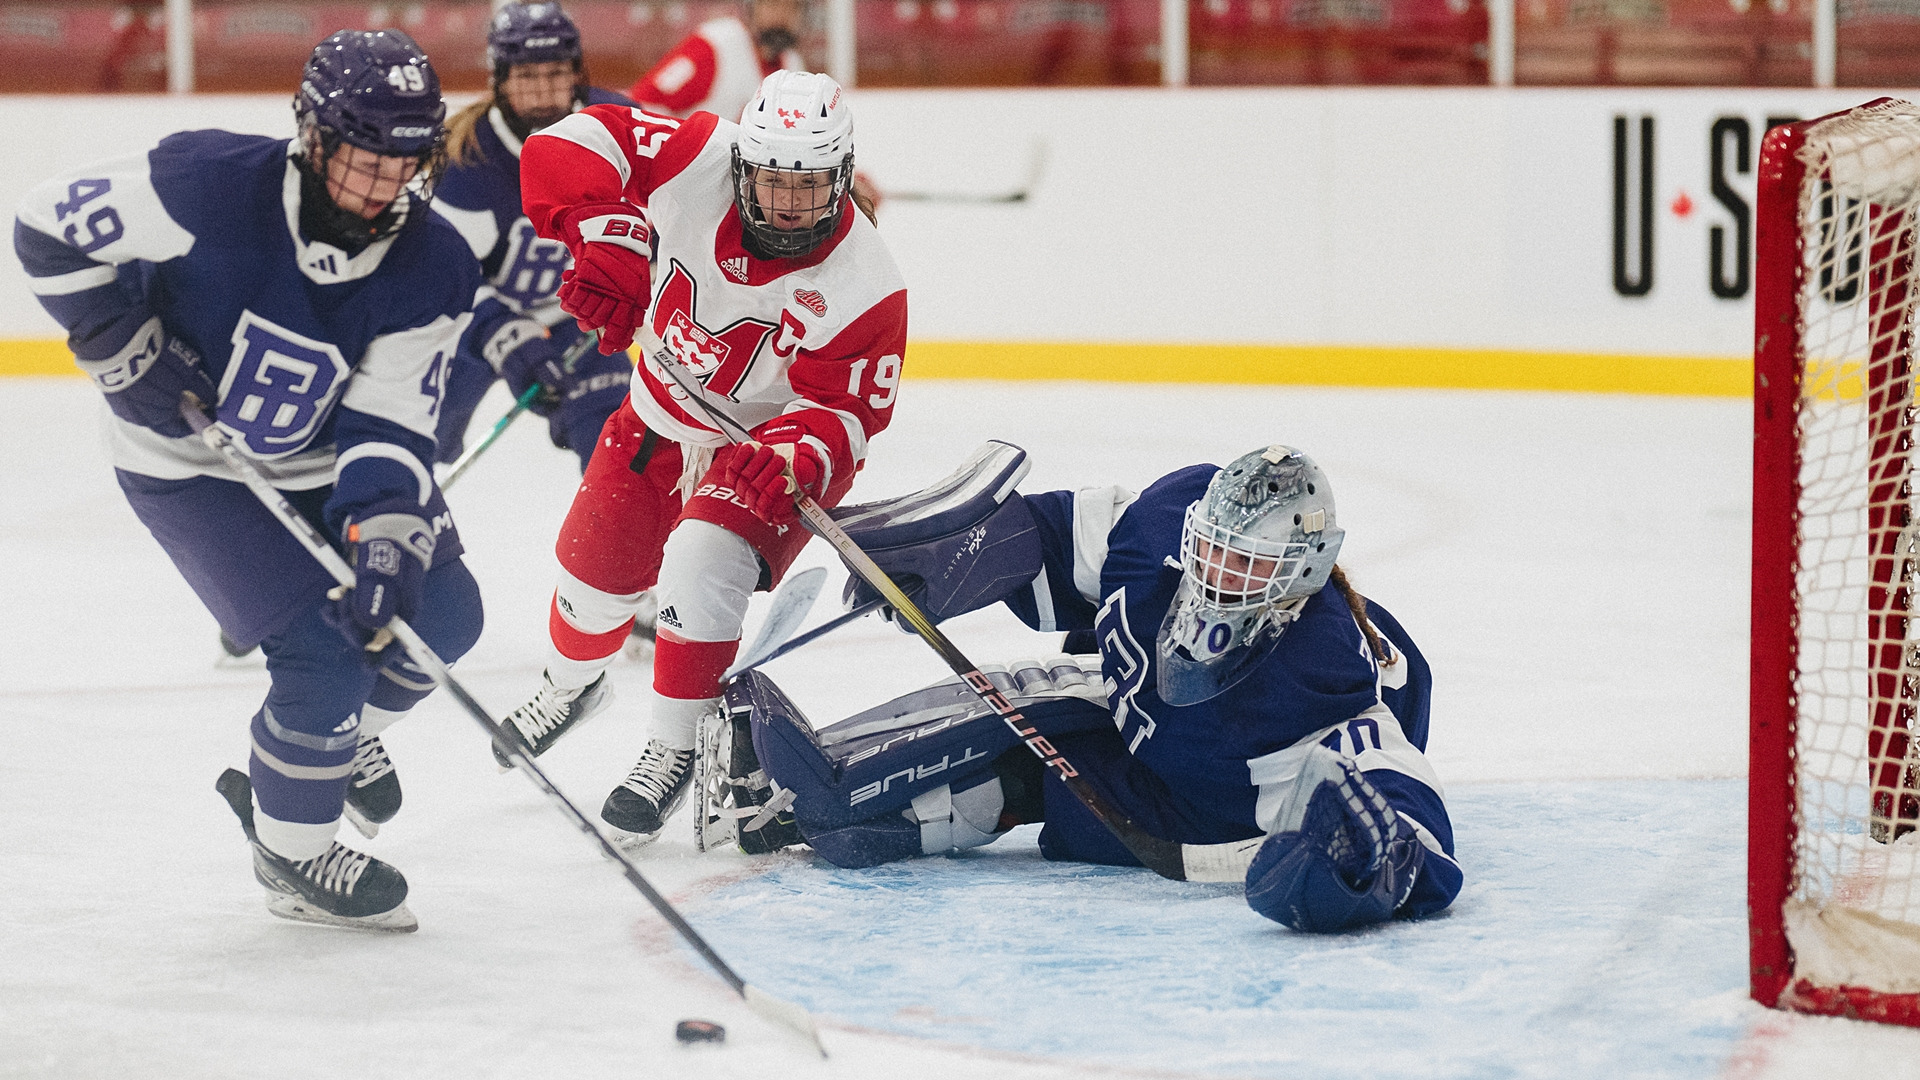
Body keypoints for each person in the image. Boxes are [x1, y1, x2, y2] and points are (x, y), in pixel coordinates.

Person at [13, 30, 484, 932]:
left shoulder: (433, 263)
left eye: (404, 162)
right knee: (321, 659)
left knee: (444, 618)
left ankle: (336, 752)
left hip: (321, 458)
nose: (384, 185)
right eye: (362, 158)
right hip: (190, 465)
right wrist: (114, 343)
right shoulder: (207, 184)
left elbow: (389, 423)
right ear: (312, 136)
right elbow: (45, 222)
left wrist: (386, 533)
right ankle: (291, 855)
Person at [711, 444, 1464, 932]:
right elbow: (1058, 536)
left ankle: (928, 803)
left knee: (1035, 753)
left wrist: (1376, 863)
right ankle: (794, 798)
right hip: (1148, 727)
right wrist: (964, 562)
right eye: (1212, 550)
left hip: (1201, 807)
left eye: (1248, 568)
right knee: (1028, 701)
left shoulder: (1315, 675)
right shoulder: (1165, 526)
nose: (1215, 577)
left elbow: (1401, 798)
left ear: (1300, 572)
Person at [496, 68, 904, 850]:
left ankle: (672, 745)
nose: (789, 202)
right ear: (743, 162)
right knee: (589, 586)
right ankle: (569, 685)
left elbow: (845, 414)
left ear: (845, 176)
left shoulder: (866, 281)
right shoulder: (698, 154)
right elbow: (567, 143)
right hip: (654, 419)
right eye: (774, 180)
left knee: (698, 560)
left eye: (811, 185)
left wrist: (791, 455)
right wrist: (604, 233)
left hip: (759, 457)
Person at [430, 1, 637, 475]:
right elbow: (446, 279)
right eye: (526, 77)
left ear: (577, 73)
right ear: (499, 81)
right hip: (472, 320)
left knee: (615, 441)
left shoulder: (621, 124)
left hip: (580, 318)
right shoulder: (466, 160)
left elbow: (680, 205)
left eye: (555, 74)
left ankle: (622, 546)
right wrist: (507, 338)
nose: (543, 93)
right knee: (416, 440)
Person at [629, 0, 805, 122]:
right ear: (751, 8)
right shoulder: (716, 43)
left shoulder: (793, 64)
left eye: (792, 7)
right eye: (773, 5)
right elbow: (644, 102)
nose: (782, 17)